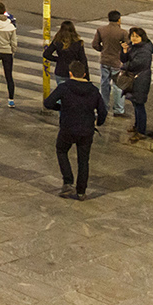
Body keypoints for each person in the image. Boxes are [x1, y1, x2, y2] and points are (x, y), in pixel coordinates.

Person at [42, 58, 107, 199]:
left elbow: (48, 103)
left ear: (70, 74)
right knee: (83, 160)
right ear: (84, 74)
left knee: (61, 150)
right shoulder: (94, 90)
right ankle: (81, 191)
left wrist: (61, 108)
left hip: (68, 127)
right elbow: (103, 111)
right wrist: (98, 123)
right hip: (86, 130)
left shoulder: (64, 87)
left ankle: (68, 181)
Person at [91, 10, 129, 116]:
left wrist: (103, 50)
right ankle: (118, 109)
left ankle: (103, 107)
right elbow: (128, 47)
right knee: (118, 86)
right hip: (117, 62)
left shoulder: (101, 30)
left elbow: (95, 44)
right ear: (119, 19)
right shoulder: (123, 33)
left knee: (104, 84)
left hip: (104, 60)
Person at [121, 27, 153, 141]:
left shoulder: (144, 50)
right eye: (132, 36)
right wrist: (124, 51)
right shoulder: (132, 47)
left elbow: (135, 64)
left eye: (136, 36)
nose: (134, 39)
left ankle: (141, 131)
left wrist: (124, 66)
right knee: (135, 103)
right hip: (134, 79)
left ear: (142, 37)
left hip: (141, 80)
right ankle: (137, 126)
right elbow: (124, 59)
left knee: (139, 105)